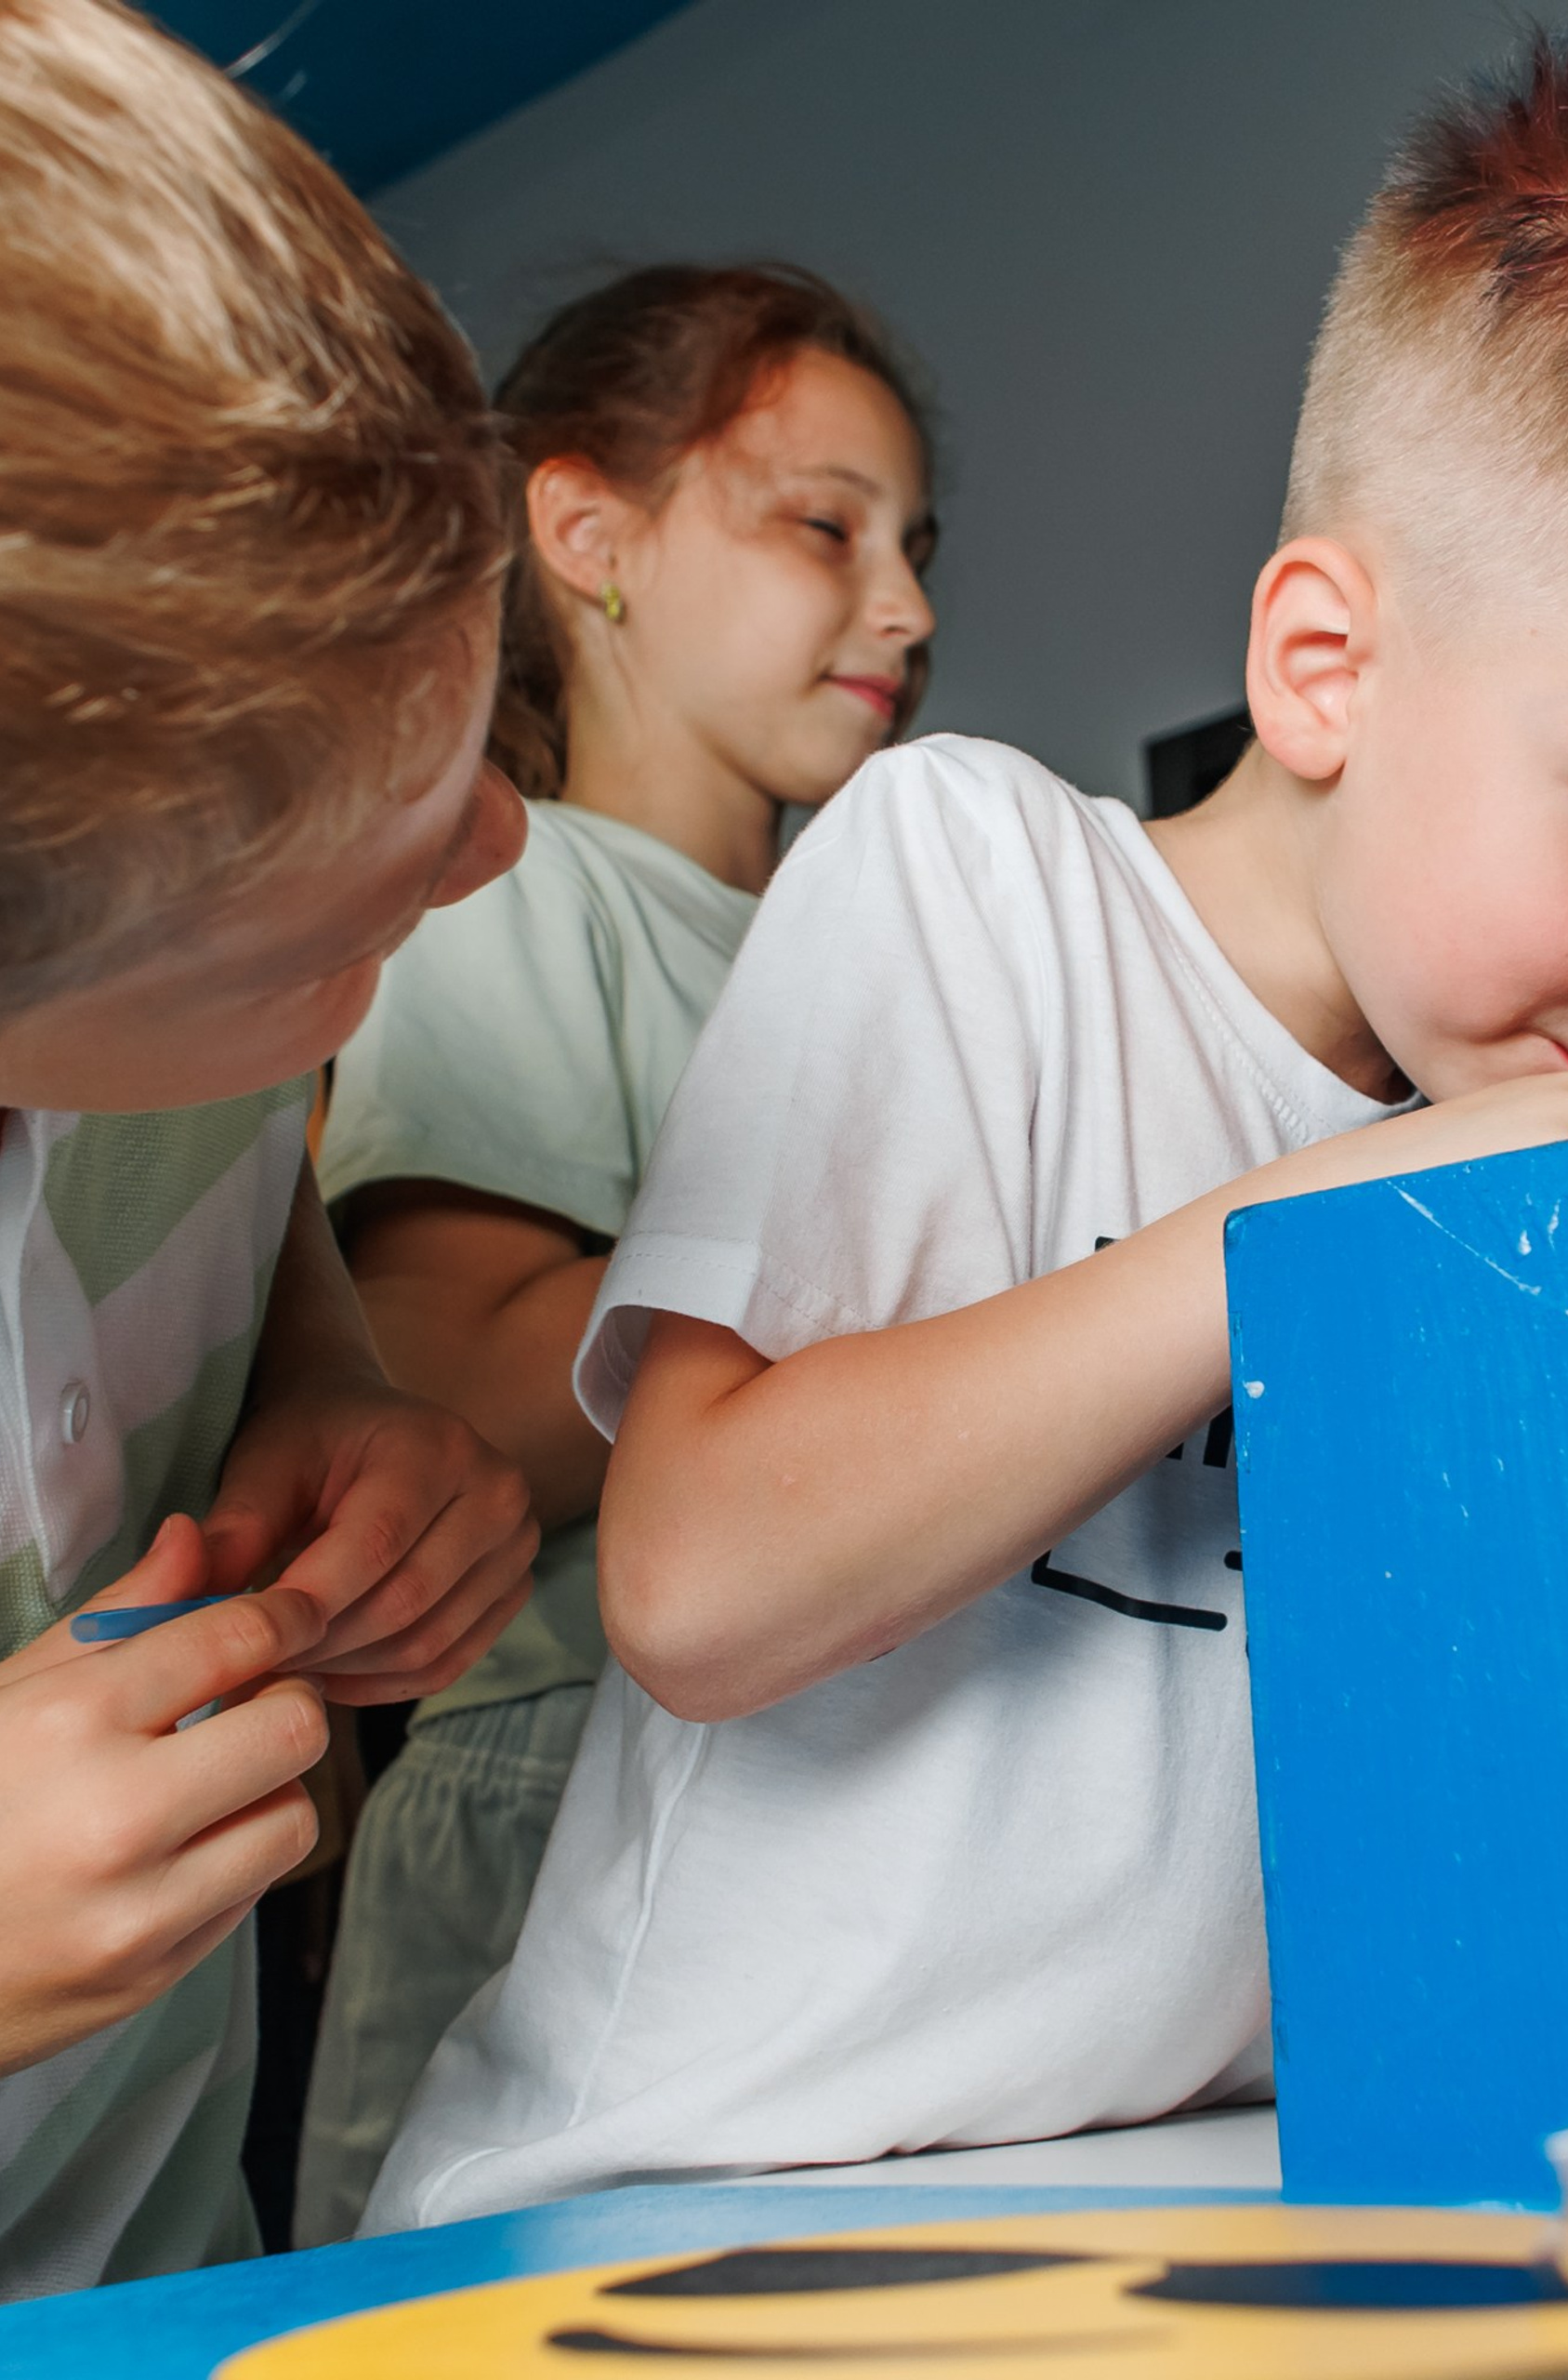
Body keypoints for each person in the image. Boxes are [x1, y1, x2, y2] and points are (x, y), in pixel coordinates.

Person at [366, 10, 1568, 2230]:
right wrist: (1321, 1226)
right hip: (689, 2204)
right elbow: (692, 1579)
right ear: (1323, 665)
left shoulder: (1516, 1161)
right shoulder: (974, 873)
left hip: (1173, 2198)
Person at [292, 264, 937, 2246]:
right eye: (825, 525)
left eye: (917, 548)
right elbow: (458, 1399)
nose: (903, 605)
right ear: (587, 539)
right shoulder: (516, 889)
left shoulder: (873, 950)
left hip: (834, 1792)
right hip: (557, 1790)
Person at [0, 0, 540, 2294]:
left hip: (169, 2249)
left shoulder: (166, 982)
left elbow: (224, 1176)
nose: (510, 848)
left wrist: (325, 1376)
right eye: (350, 910)